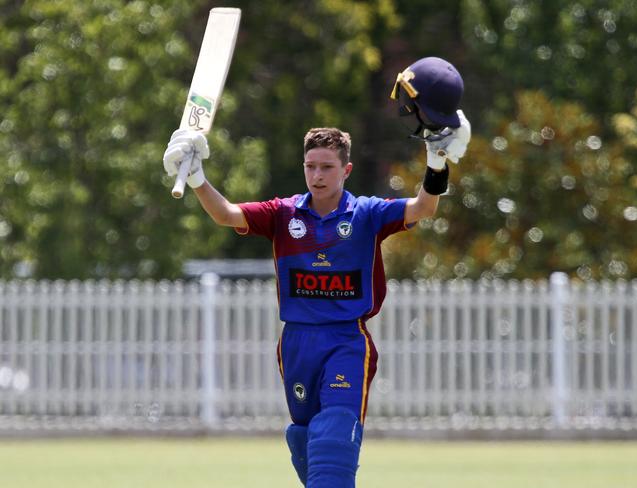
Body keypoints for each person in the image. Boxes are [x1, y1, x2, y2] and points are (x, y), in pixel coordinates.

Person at [163, 57, 470, 488]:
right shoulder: (283, 213)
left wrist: (437, 163)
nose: (317, 175)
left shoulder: (366, 214)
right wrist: (197, 178)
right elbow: (227, 215)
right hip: (297, 342)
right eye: (311, 167)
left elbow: (424, 208)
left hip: (346, 339)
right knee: (305, 441)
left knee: (332, 441)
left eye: (327, 167)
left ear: (345, 170)